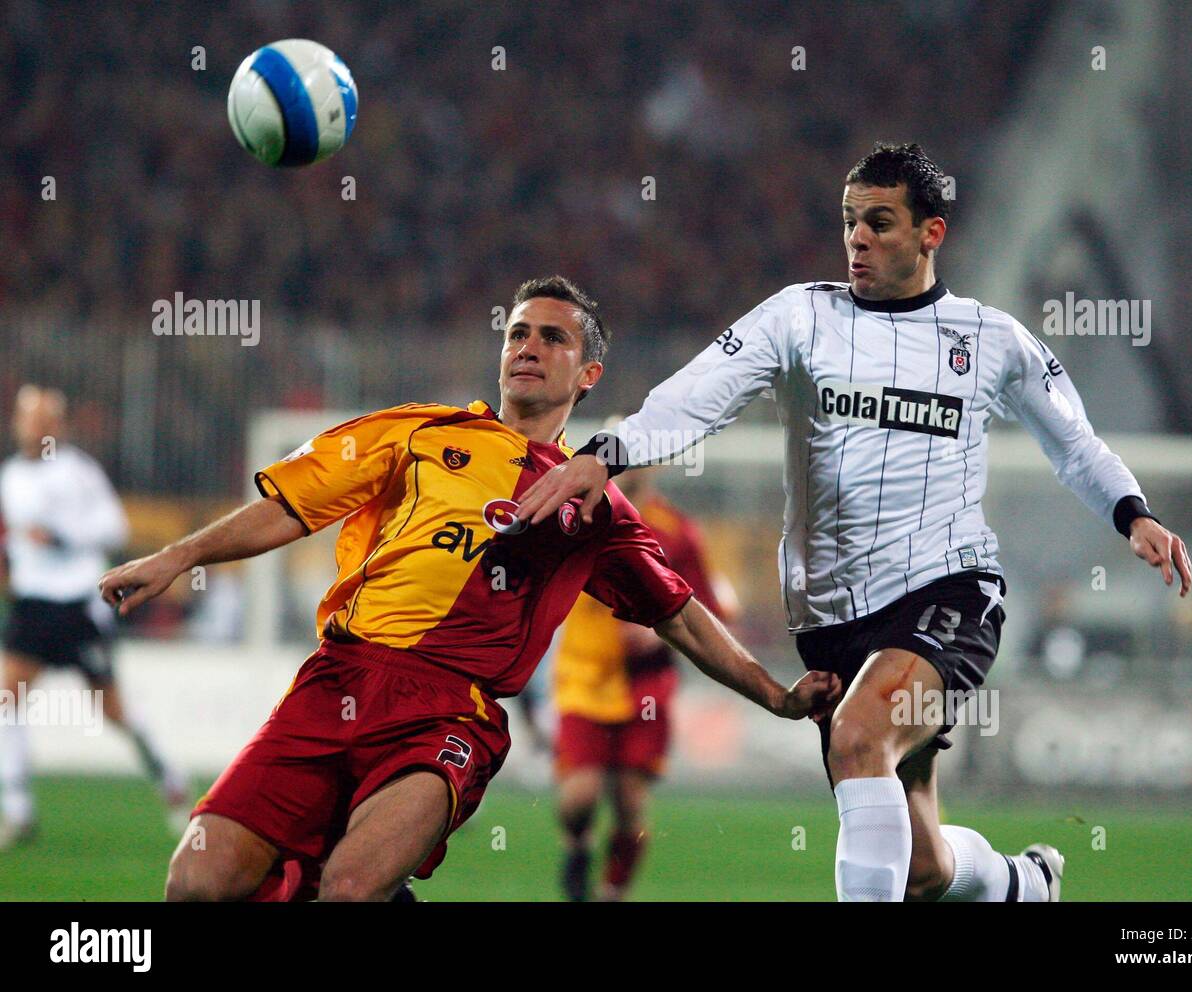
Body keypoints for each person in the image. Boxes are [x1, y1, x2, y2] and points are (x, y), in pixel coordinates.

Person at [514, 145, 1192, 902]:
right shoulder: (801, 317)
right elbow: (698, 395)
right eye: (849, 222)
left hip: (949, 591)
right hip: (832, 621)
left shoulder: (989, 340)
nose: (857, 239)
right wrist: (608, 453)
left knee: (862, 734)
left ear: (931, 233)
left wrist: (1132, 513)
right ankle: (1023, 884)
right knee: (920, 868)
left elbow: (1076, 444)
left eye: (879, 222)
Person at [98, 276, 840, 902]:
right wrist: (178, 556)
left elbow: (679, 614)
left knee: (352, 890)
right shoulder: (421, 433)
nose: (528, 347)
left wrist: (775, 695)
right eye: (518, 333)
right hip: (334, 682)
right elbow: (292, 506)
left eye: (554, 338)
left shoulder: (594, 505)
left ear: (589, 376)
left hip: (449, 711)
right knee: (195, 884)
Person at [1, 385, 189, 849]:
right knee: (6, 699)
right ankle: (17, 809)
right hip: (33, 604)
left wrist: (62, 536)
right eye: (28, 418)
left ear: (57, 426)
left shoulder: (78, 472)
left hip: (77, 605)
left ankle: (169, 776)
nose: (35, 427)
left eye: (44, 419)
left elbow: (115, 527)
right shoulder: (9, 477)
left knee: (113, 710)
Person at [552, 465, 737, 900]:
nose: (628, 467)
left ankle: (612, 892)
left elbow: (705, 609)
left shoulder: (677, 531)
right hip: (585, 674)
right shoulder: (573, 514)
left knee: (630, 804)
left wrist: (657, 631)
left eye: (637, 458)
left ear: (653, 465)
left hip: (646, 687)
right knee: (580, 797)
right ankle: (577, 844)